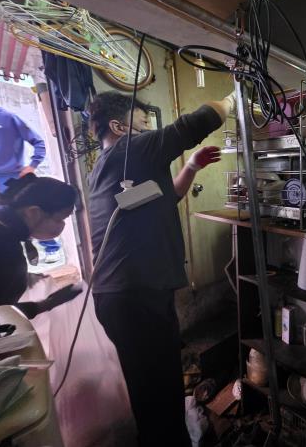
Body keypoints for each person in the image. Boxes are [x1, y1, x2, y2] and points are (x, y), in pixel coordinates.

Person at [87, 90, 234, 447]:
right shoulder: (129, 149)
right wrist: (234, 96)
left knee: (148, 388)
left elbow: (167, 196)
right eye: (140, 123)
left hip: (118, 297)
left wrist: (191, 167)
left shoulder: (105, 169)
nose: (146, 130)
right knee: (161, 390)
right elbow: (200, 120)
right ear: (118, 126)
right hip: (137, 297)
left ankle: (157, 438)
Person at [0, 85, 62, 263]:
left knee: (33, 215)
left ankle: (51, 248)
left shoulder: (6, 117)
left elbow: (38, 142)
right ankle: (14, 260)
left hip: (13, 179)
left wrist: (32, 165)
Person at [0, 174, 82, 317]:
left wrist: (24, 277)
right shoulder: (4, 250)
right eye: (60, 219)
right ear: (33, 212)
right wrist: (47, 304)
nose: (62, 225)